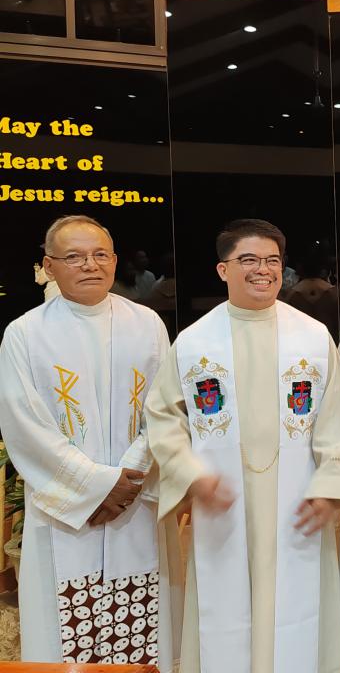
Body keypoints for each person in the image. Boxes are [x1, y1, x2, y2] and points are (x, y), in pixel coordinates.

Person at [144, 218, 340, 673]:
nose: (263, 270)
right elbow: (162, 416)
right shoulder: (195, 342)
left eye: (272, 260)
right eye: (249, 260)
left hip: (298, 498)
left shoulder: (312, 337)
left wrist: (330, 486)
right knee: (226, 616)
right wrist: (190, 474)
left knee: (300, 614)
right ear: (223, 270)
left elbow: (336, 418)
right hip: (223, 500)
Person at [0, 215, 179, 669]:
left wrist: (128, 479)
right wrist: (97, 486)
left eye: (100, 254)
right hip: (67, 509)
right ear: (49, 266)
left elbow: (165, 407)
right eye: (74, 256)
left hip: (134, 501)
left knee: (143, 627)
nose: (90, 265)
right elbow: (24, 423)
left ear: (115, 261)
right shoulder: (25, 333)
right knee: (65, 635)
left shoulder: (148, 323)